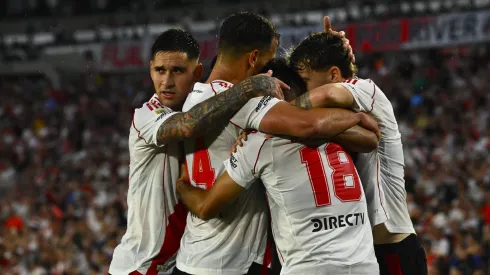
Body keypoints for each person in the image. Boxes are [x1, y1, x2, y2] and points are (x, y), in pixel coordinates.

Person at [175, 12, 379, 275]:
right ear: (253, 59)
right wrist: (357, 115)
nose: (270, 71)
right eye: (268, 61)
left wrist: (181, 185)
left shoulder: (194, 101)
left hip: (198, 254)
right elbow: (311, 124)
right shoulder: (252, 106)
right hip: (237, 262)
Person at [108, 28, 285, 275]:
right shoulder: (146, 115)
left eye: (178, 71)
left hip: (180, 262)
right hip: (142, 265)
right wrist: (248, 87)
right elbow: (188, 125)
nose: (167, 81)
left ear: (198, 72)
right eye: (160, 70)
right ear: (150, 69)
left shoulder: (210, 107)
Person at [287, 29, 428, 275]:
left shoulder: (365, 89)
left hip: (393, 247)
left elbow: (328, 92)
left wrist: (268, 112)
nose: (302, 89)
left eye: (306, 81)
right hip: (364, 253)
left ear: (333, 74)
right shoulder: (334, 118)